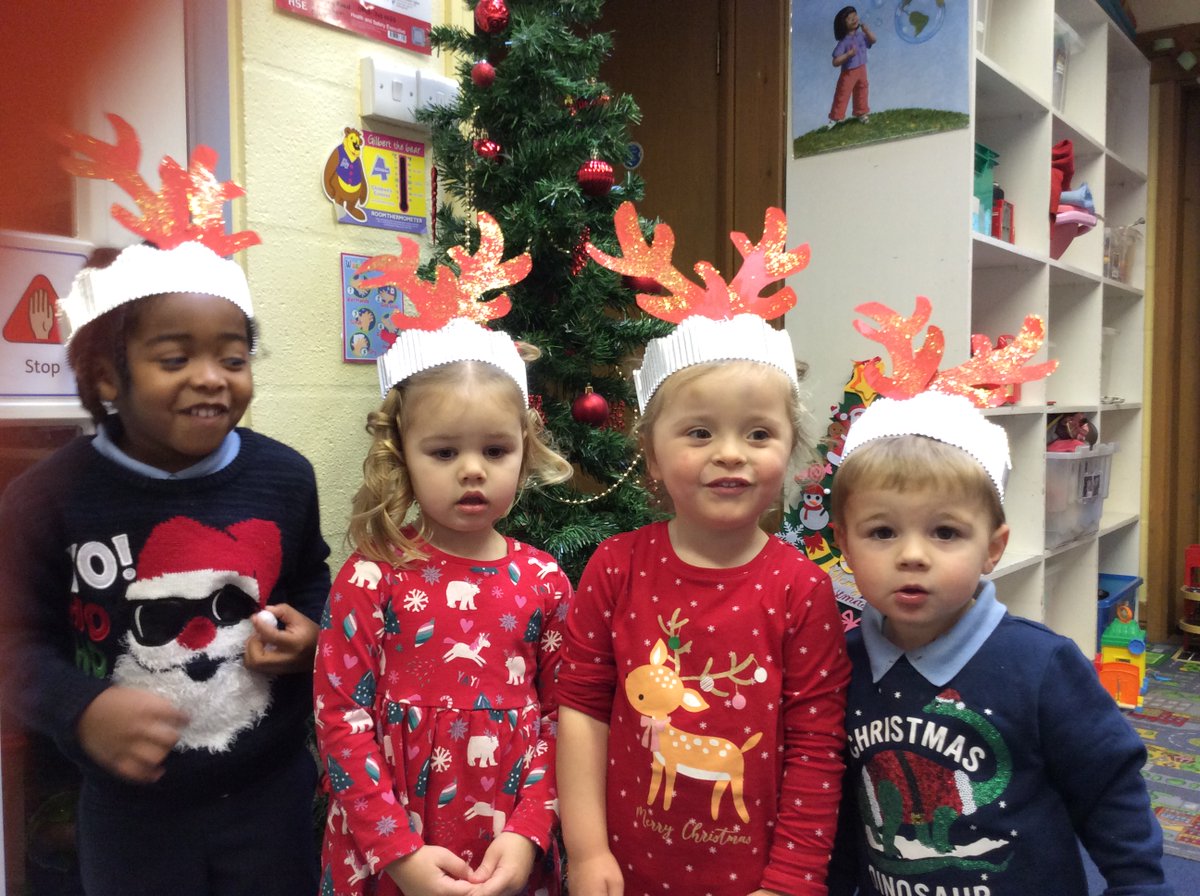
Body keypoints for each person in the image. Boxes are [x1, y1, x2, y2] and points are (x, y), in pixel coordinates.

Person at [0, 115, 330, 896]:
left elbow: (313, 576)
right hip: (131, 814)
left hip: (270, 793)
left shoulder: (285, 476)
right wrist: (80, 710)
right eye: (175, 358)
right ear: (108, 377)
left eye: (234, 356)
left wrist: (312, 631)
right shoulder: (48, 498)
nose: (212, 377)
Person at [557, 203, 851, 896]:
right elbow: (582, 710)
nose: (730, 456)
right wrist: (586, 849)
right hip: (624, 871)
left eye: (757, 434)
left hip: (756, 879)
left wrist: (791, 881)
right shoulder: (616, 567)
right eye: (698, 434)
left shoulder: (801, 589)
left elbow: (816, 746)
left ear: (790, 450)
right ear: (652, 459)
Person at [314, 214, 575, 896]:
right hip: (392, 855)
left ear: (524, 450)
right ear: (401, 452)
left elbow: (562, 717)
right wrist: (396, 851)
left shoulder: (542, 579)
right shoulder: (372, 576)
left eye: (494, 451)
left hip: (509, 850)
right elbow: (341, 720)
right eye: (443, 451)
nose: (471, 471)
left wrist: (528, 832)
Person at [826, 389, 1174, 896]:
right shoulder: (840, 665)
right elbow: (837, 808)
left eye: (945, 532)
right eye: (882, 532)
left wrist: (1139, 884)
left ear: (992, 549)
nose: (913, 555)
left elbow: (1108, 788)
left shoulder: (1041, 665)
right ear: (844, 545)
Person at [828, 6, 876, 128]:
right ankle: (835, 118)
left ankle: (861, 113)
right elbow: (835, 61)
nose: (854, 19)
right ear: (843, 25)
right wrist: (848, 55)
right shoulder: (844, 42)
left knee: (862, 89)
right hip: (848, 72)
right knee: (843, 93)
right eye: (850, 19)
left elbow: (873, 40)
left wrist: (867, 31)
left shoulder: (861, 35)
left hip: (862, 68)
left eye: (855, 16)